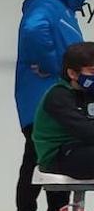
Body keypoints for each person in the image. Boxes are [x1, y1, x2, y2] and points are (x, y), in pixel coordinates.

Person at [15, 0, 88, 211]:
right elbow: (34, 30)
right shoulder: (48, 5)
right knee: (37, 158)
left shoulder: (65, 11)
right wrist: (53, 65)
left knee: (60, 160)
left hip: (63, 101)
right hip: (41, 103)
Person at [33, 41, 94, 180]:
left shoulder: (90, 93)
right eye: (92, 72)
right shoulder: (59, 96)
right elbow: (87, 132)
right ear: (72, 73)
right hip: (59, 155)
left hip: (85, 148)